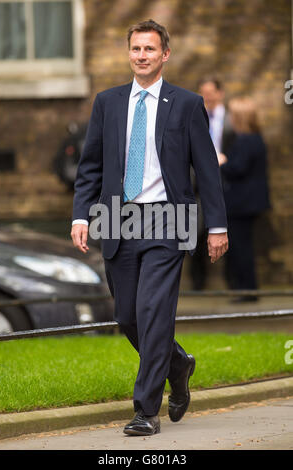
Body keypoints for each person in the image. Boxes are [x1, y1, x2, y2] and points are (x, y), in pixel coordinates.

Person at [71, 19, 228, 436]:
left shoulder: (187, 103)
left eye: (150, 49)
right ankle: (179, 365)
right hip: (116, 219)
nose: (142, 56)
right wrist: (81, 215)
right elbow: (89, 167)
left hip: (167, 219)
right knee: (127, 315)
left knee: (153, 311)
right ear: (130, 54)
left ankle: (145, 410)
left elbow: (207, 170)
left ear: (165, 55)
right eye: (136, 49)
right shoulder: (107, 102)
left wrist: (216, 226)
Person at [217, 96, 270, 301]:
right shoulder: (252, 138)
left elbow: (238, 169)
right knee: (242, 248)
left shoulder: (247, 140)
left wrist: (222, 162)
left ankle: (247, 291)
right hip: (246, 203)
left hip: (242, 204)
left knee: (241, 249)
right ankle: (245, 289)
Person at [189, 78, 236, 290]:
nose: (206, 96)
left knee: (228, 232)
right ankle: (198, 283)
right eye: (203, 92)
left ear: (220, 93)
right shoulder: (193, 116)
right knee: (196, 233)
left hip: (225, 181)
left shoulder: (232, 119)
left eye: (210, 92)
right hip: (196, 184)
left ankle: (232, 282)